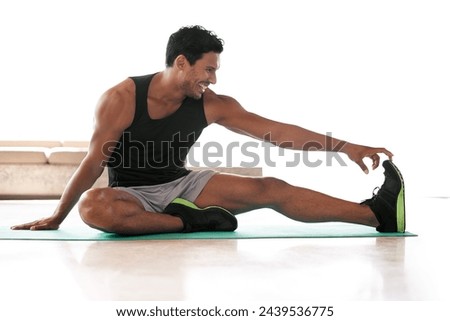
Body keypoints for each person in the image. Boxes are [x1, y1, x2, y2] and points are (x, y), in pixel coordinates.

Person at [11, 25, 405, 235]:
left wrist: (346, 147)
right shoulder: (122, 96)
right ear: (181, 62)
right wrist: (58, 216)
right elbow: (93, 161)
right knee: (94, 208)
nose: (212, 79)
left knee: (271, 187)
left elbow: (277, 132)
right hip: (130, 193)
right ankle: (191, 221)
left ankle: (374, 215)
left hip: (183, 186)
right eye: (208, 69)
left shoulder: (213, 104)